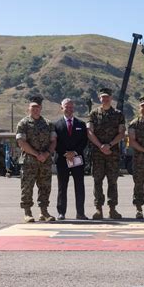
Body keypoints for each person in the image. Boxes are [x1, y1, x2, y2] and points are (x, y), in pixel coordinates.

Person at [16, 95, 57, 223]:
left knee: (45, 187)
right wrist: (36, 154)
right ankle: (27, 212)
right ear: (29, 108)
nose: (35, 109)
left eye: (38, 107)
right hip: (29, 161)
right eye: (33, 107)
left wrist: (46, 154)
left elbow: (53, 141)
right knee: (27, 187)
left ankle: (44, 212)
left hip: (44, 161)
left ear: (41, 108)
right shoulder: (23, 123)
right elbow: (21, 142)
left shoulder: (48, 124)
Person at [87, 88, 125, 219]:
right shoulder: (93, 113)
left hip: (112, 153)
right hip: (97, 154)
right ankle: (98, 209)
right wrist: (100, 146)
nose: (105, 99)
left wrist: (109, 145)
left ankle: (112, 209)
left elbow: (121, 133)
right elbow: (90, 132)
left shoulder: (118, 114)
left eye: (107, 97)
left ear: (111, 98)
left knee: (112, 181)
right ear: (99, 98)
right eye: (103, 97)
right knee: (97, 181)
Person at [55, 98, 89, 220]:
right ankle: (61, 212)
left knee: (79, 186)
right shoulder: (56, 125)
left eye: (71, 107)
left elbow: (84, 141)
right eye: (66, 107)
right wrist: (65, 153)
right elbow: (55, 142)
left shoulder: (81, 124)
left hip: (77, 159)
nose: (69, 109)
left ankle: (80, 212)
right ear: (62, 108)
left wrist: (74, 152)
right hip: (62, 160)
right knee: (62, 187)